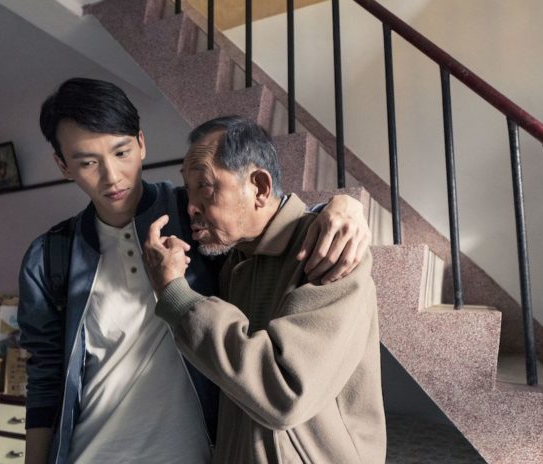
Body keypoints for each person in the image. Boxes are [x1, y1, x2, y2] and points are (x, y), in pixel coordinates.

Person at [17, 78, 373, 463]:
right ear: (63, 166)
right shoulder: (50, 257)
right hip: (90, 453)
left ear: (141, 143)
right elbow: (45, 379)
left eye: (121, 152)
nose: (112, 176)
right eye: (88, 162)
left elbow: (264, 219)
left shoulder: (196, 220)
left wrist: (342, 208)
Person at [143, 116, 386, 463]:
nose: (191, 205)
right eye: (188, 188)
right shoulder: (234, 262)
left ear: (259, 187)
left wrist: (176, 295)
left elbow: (285, 393)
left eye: (204, 186)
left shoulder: (332, 251)